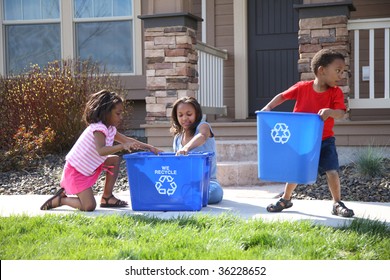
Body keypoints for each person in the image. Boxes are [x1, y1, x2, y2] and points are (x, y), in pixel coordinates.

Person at [261, 48, 354, 218]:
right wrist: (268, 108)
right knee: (296, 171)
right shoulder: (302, 88)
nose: (341, 76)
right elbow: (282, 96)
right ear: (322, 70)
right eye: (338, 71)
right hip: (302, 140)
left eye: (343, 71)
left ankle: (337, 203)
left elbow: (341, 112)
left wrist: (330, 112)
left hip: (325, 140)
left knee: (332, 170)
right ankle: (286, 199)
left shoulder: (336, 93)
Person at [40, 90, 162, 211]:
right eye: (118, 114)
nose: (121, 117)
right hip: (76, 171)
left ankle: (107, 197)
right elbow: (101, 151)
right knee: (89, 206)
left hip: (88, 166)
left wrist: (149, 147)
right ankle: (61, 200)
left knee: (114, 160)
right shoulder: (99, 129)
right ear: (106, 113)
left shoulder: (110, 129)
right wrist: (121, 147)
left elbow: (126, 140)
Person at [170, 96, 223, 204]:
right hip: (186, 183)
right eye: (180, 115)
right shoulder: (177, 138)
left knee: (214, 193)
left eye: (189, 114)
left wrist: (186, 148)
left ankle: (187, 196)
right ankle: (188, 196)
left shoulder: (204, 127)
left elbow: (202, 136)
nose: (184, 118)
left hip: (207, 183)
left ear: (197, 114)